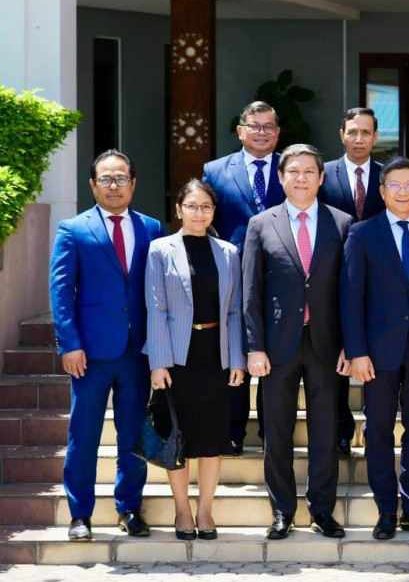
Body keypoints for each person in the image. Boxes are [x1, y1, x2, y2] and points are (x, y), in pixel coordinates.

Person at [50, 149, 163, 541]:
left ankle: (129, 508)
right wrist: (68, 343)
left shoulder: (151, 227)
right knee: (84, 435)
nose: (114, 186)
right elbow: (61, 290)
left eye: (121, 178)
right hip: (90, 353)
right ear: (93, 184)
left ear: (133, 183)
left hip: (138, 351)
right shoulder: (73, 229)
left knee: (133, 434)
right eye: (106, 179)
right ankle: (80, 514)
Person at [242, 143, 354, 540]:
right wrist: (254, 346)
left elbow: (350, 291)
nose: (301, 178)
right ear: (281, 177)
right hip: (277, 346)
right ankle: (282, 511)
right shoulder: (261, 224)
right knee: (277, 431)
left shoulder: (343, 223)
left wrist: (351, 345)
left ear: (321, 178)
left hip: (327, 343)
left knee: (325, 432)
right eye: (294, 171)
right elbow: (250, 291)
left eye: (309, 171)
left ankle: (322, 510)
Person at [340, 157, 409, 540]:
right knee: (379, 429)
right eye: (395, 185)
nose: (403, 192)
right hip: (377, 351)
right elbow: (351, 296)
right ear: (382, 192)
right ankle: (386, 508)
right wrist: (356, 351)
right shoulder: (362, 234)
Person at [144, 179, 246, 540]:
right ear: (178, 209)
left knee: (211, 438)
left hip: (215, 356)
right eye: (191, 206)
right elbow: (156, 308)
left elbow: (234, 310)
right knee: (178, 437)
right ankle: (182, 511)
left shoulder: (228, 252)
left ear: (213, 211)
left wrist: (237, 360)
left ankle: (205, 511)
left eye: (205, 206)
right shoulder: (160, 249)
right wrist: (158, 362)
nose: (199, 212)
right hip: (176, 358)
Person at [202, 101, 286, 456]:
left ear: (277, 133)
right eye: (254, 126)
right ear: (240, 131)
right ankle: (232, 431)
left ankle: (272, 432)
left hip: (283, 277)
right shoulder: (215, 170)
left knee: (276, 356)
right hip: (232, 278)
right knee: (235, 352)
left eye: (268, 127)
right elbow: (205, 221)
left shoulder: (292, 167)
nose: (261, 132)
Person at [319, 107, 387, 458]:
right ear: (341, 135)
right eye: (352, 132)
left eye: (366, 132)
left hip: (381, 279)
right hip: (332, 276)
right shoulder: (322, 174)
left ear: (375, 137)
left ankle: (379, 430)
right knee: (337, 358)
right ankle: (341, 431)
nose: (359, 138)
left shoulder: (389, 176)